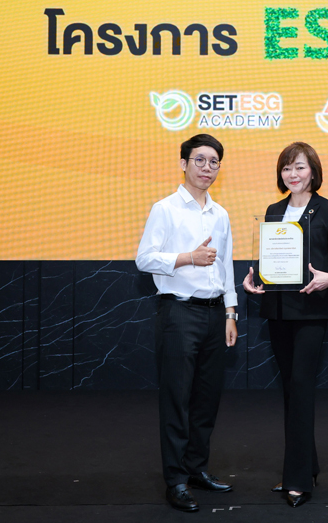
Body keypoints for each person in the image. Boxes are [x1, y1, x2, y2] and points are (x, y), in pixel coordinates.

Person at [243, 142, 328, 508]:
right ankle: (308, 466)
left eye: (300, 167)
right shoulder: (274, 211)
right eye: (287, 168)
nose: (293, 174)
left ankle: (298, 480)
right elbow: (271, 259)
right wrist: (255, 278)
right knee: (291, 390)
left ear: (314, 171)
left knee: (302, 388)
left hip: (311, 311)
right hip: (277, 311)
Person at [136, 133, 239, 513]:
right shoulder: (164, 209)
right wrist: (186, 258)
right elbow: (144, 259)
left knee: (206, 400)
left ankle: (197, 469)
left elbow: (227, 266)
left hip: (215, 315)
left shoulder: (221, 214)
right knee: (177, 399)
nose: (207, 168)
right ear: (183, 164)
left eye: (214, 162)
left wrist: (231, 313)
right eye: (200, 160)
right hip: (179, 313)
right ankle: (176, 480)